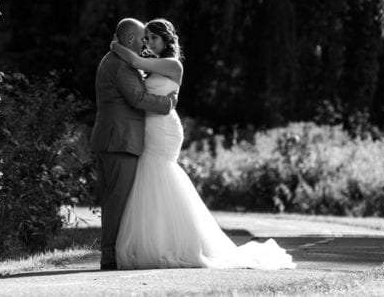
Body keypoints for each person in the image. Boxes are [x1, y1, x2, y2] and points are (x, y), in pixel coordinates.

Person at [110, 18, 295, 269]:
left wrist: (115, 45)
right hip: (151, 127)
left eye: (153, 38)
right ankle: (159, 242)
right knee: (150, 179)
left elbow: (135, 61)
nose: (148, 42)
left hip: (164, 129)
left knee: (159, 173)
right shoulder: (152, 69)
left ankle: (179, 244)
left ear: (166, 40)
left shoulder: (172, 65)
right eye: (147, 37)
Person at [90, 17, 178, 271]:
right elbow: (138, 98)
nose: (144, 44)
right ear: (130, 39)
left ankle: (114, 253)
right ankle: (111, 258)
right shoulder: (120, 66)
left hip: (115, 138)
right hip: (120, 140)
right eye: (142, 38)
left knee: (115, 199)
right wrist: (168, 103)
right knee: (118, 200)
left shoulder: (116, 60)